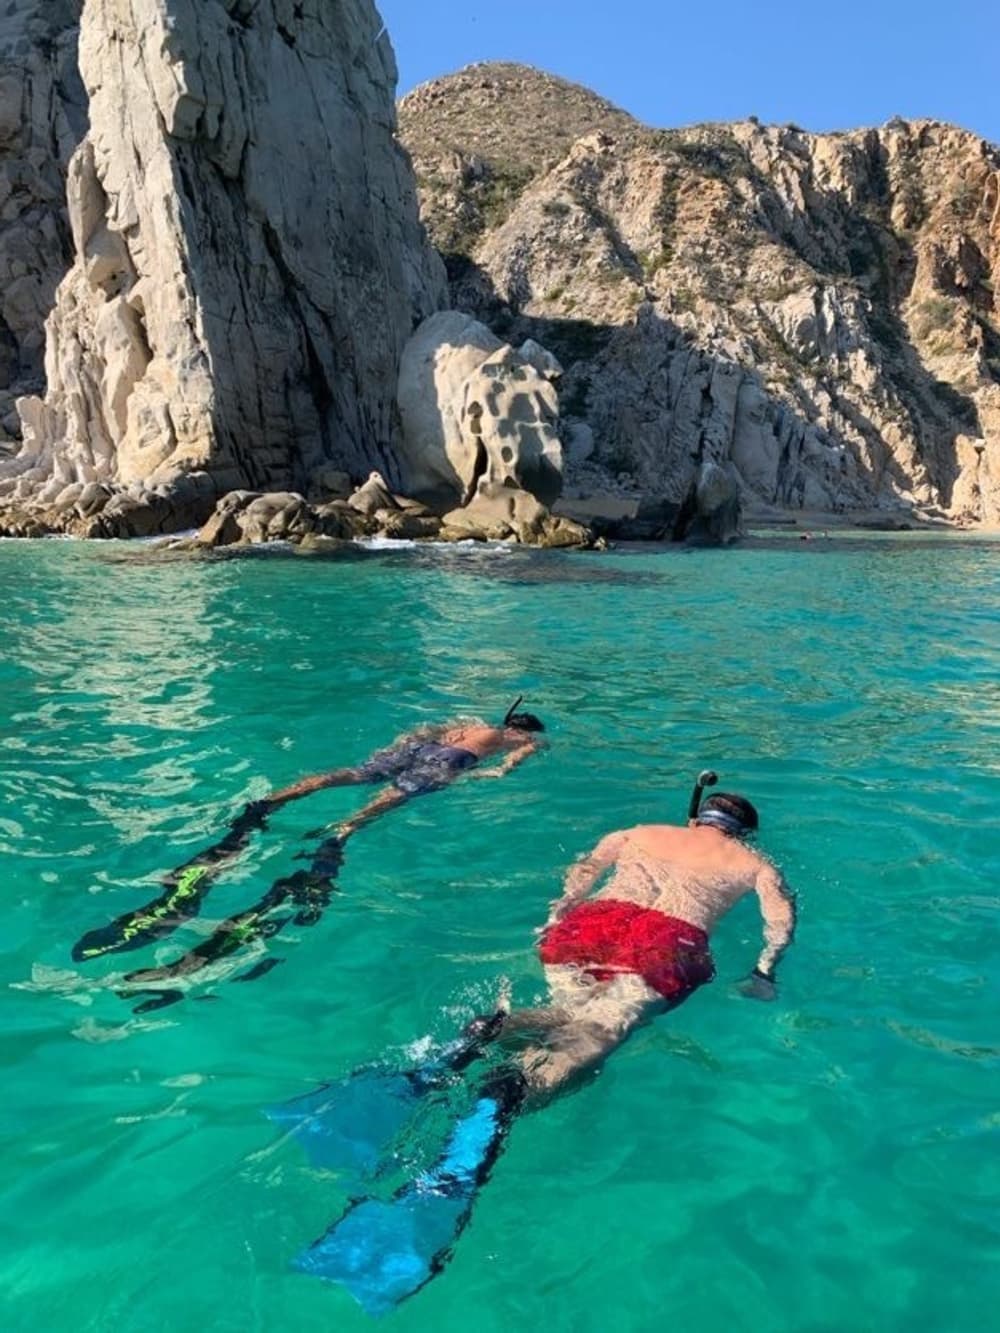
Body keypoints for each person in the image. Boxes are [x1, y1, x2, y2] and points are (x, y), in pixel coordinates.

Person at [489, 778, 795, 1104]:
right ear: (744, 834)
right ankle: (502, 1104)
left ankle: (483, 1036)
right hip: (667, 941)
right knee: (599, 1029)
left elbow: (583, 873)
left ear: (697, 820)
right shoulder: (755, 864)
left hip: (591, 925)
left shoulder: (634, 833)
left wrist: (559, 912)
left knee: (569, 1013)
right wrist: (764, 972)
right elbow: (782, 923)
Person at [267, 696, 545, 845]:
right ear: (525, 730)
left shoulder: (471, 724)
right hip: (452, 758)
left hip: (420, 746)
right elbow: (509, 765)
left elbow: (422, 731)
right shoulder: (523, 739)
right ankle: (346, 827)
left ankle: (281, 796)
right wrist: (484, 773)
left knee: (357, 773)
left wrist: (394, 749)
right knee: (396, 794)